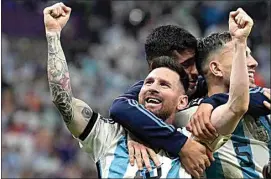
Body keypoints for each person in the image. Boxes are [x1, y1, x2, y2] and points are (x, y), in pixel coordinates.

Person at [43, 2, 208, 178]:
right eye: (148, 82)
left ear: (182, 100)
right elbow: (63, 100)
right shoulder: (109, 135)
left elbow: (235, 101)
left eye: (164, 84)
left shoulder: (195, 135)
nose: (152, 88)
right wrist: (53, 35)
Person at [109, 8, 271, 178]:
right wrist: (136, 133)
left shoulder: (202, 83)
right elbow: (121, 107)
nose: (195, 71)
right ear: (159, 67)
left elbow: (248, 98)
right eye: (185, 65)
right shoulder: (163, 100)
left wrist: (212, 101)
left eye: (194, 62)